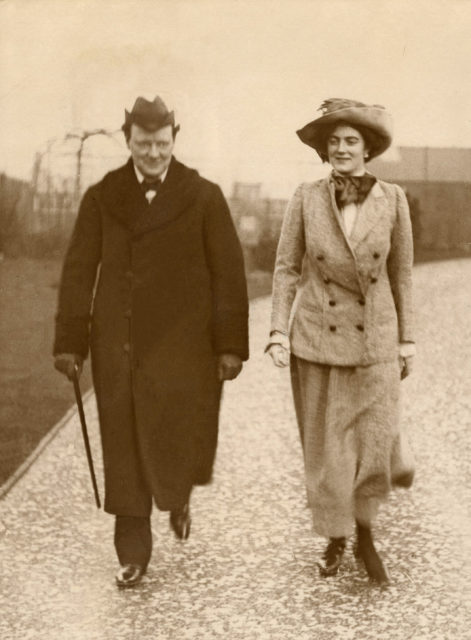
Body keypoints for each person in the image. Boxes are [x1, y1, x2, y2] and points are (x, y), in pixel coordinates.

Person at [54, 95, 249, 587]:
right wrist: (70, 342)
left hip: (184, 343)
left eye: (162, 144)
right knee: (122, 441)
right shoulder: (103, 196)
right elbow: (79, 270)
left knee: (175, 433)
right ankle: (133, 550)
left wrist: (229, 344)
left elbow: (228, 273)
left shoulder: (203, 195)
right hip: (118, 342)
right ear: (128, 142)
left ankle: (177, 494)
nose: (153, 154)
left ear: (173, 140)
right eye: (144, 144)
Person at [267, 98, 415, 584]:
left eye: (351, 141)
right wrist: (275, 331)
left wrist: (407, 340)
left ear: (367, 148)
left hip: (375, 338)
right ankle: (335, 537)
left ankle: (366, 536)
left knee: (372, 443)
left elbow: (403, 275)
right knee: (331, 450)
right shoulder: (306, 197)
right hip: (318, 339)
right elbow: (287, 268)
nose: (342, 149)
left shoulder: (393, 200)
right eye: (334, 142)